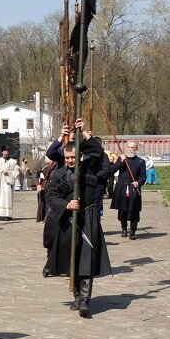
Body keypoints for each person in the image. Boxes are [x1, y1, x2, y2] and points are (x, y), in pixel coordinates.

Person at [44, 122, 111, 317]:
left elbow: (98, 152)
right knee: (70, 259)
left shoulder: (89, 167)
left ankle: (85, 300)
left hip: (88, 217)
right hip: (68, 220)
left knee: (86, 260)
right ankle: (76, 296)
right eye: (67, 158)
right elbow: (52, 197)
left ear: (79, 155)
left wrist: (86, 135)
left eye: (73, 157)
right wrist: (66, 205)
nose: (70, 160)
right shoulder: (58, 174)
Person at [109, 140, 147, 240]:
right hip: (121, 188)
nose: (130, 149)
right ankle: (124, 229)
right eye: (129, 147)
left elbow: (143, 176)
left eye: (132, 148)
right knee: (122, 210)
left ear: (136, 149)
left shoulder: (140, 161)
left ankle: (133, 232)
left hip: (133, 188)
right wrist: (120, 161)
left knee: (133, 210)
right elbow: (111, 171)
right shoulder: (122, 159)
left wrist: (138, 183)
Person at [0, 146, 19, 220]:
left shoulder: (13, 162)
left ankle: (7, 215)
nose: (6, 152)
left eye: (8, 151)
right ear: (2, 152)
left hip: (7, 182)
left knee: (6, 198)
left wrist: (8, 173)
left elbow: (17, 172)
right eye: (5, 151)